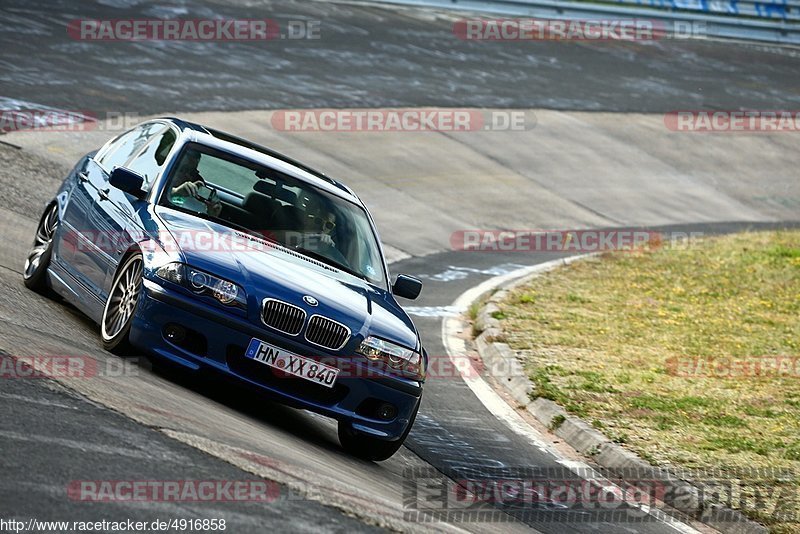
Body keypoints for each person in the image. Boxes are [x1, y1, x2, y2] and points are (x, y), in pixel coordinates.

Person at [169, 149, 221, 217]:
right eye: (184, 169)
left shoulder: (197, 192)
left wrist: (211, 214)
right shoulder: (161, 182)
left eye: (192, 172)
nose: (188, 175)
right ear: (172, 168)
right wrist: (175, 192)